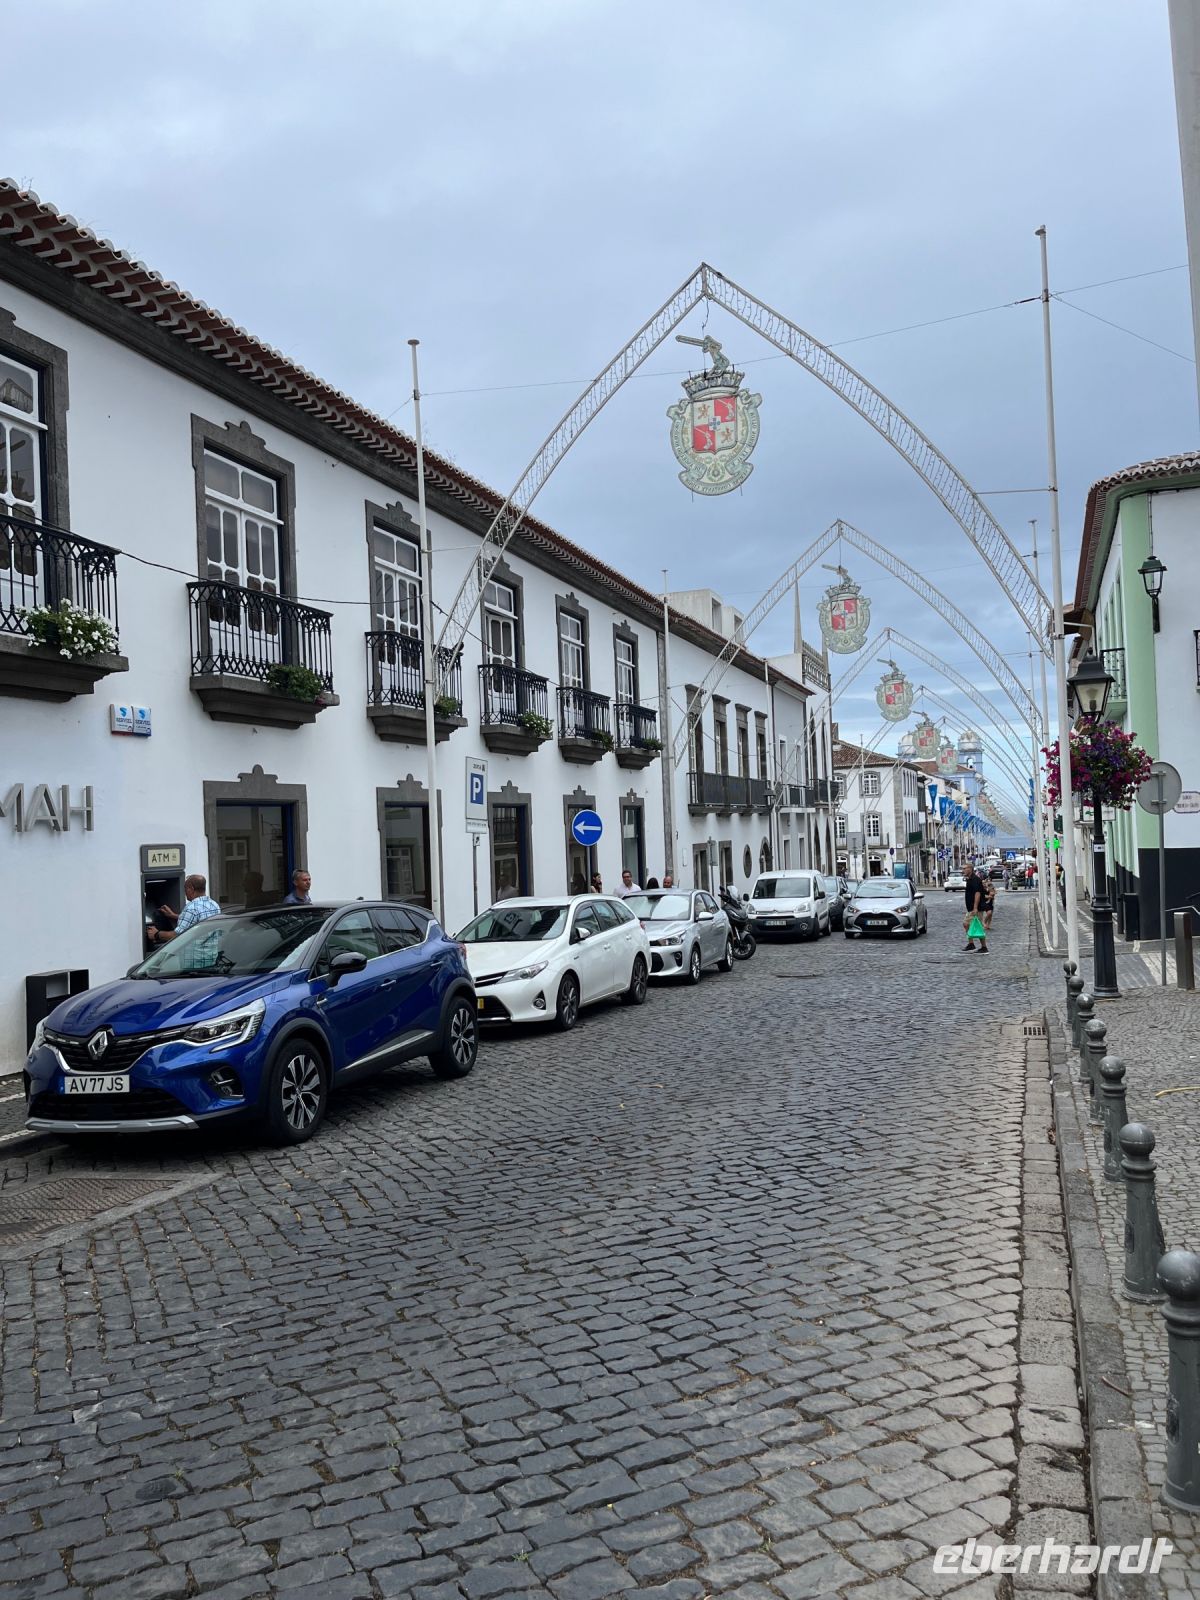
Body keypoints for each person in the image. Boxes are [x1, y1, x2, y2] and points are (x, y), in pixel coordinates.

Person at [149, 875, 221, 943]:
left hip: (194, 955)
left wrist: (156, 934)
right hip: (211, 953)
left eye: (185, 889)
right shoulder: (214, 905)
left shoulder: (191, 908)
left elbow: (178, 936)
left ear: (191, 889)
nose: (185, 892)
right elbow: (199, 920)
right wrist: (173, 915)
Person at [962, 860, 988, 954]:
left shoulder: (975, 879)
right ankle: (972, 944)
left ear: (970, 869)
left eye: (965, 868)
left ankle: (983, 947)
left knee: (977, 926)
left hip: (976, 908)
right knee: (967, 924)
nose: (963, 870)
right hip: (972, 908)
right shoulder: (969, 879)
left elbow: (977, 893)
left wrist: (975, 907)